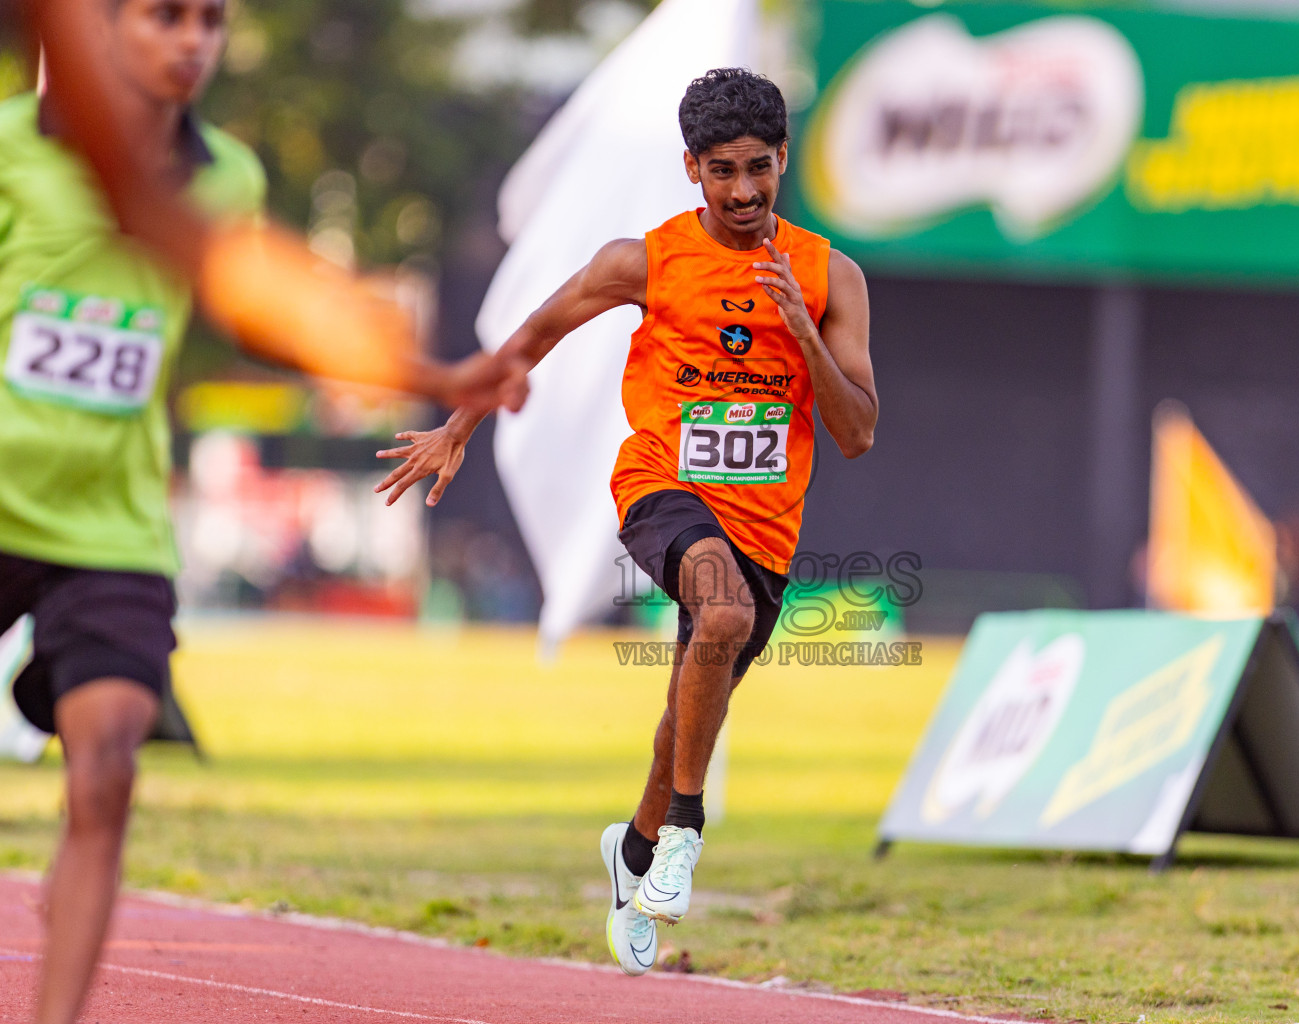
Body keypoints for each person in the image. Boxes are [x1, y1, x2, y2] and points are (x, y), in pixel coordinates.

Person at [0, 3, 503, 1021]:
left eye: (213, 21)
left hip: (110, 523)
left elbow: (251, 314)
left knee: (105, 773)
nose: (193, 42)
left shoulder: (226, 175)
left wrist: (422, 370)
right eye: (165, 17)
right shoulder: (13, 151)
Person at [376, 68, 878, 975]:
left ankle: (639, 847)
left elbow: (857, 432)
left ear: (783, 160)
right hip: (660, 486)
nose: (742, 192)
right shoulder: (641, 262)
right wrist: (459, 424)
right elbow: (534, 333)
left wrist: (802, 329)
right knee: (719, 618)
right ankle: (686, 833)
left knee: (690, 701)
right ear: (691, 167)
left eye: (758, 169)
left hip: (765, 526)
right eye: (721, 170)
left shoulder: (831, 275)